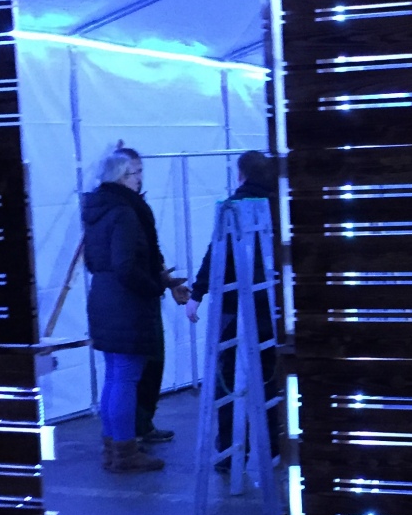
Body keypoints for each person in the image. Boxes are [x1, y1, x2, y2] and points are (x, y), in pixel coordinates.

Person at [81, 145, 189, 473]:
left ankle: (113, 448)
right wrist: (156, 285)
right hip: (126, 304)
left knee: (115, 376)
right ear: (120, 177)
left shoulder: (98, 209)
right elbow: (127, 265)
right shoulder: (125, 212)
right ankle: (125, 452)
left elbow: (95, 261)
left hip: (104, 299)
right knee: (125, 378)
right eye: (134, 173)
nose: (140, 179)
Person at [184, 151, 279, 465]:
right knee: (270, 378)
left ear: (241, 174)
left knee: (229, 380)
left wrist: (197, 293)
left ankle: (229, 449)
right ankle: (274, 446)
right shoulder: (278, 206)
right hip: (271, 308)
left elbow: (216, 255)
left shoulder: (232, 208)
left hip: (234, 306)